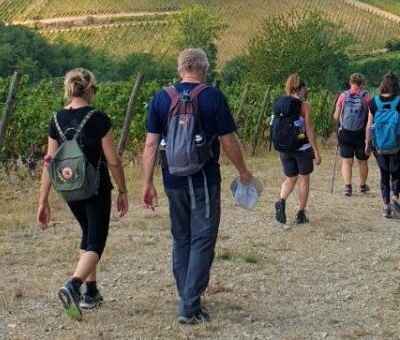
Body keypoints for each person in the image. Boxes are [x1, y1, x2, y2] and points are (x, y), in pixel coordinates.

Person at [141, 48, 255, 325]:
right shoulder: (212, 97)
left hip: (172, 179)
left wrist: (147, 183)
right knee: (203, 239)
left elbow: (151, 143)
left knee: (182, 238)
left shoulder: (161, 97)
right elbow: (228, 140)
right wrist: (242, 171)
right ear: (205, 69)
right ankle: (189, 305)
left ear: (179, 69)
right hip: (203, 178)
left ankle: (188, 297)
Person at [37, 68, 129, 321]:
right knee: (96, 243)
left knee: (87, 235)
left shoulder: (56, 119)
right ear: (89, 90)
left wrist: (43, 200)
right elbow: (113, 160)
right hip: (95, 187)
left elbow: (49, 161)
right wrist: (122, 190)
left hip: (68, 188)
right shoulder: (98, 118)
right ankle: (73, 286)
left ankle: (91, 292)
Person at [272, 74, 321, 225]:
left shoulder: (279, 103)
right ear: (301, 89)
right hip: (302, 148)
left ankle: (281, 200)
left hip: (284, 148)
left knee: (290, 178)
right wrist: (316, 151)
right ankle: (300, 213)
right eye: (305, 89)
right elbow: (309, 130)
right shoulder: (305, 105)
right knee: (303, 179)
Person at [367, 72, 400, 219]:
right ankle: (394, 199)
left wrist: (367, 144)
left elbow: (369, 125)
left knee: (384, 174)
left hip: (379, 145)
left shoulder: (374, 101)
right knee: (396, 172)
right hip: (396, 144)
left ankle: (385, 207)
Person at [333, 73, 371, 196]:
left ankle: (348, 187)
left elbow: (336, 116)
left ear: (350, 82)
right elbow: (371, 116)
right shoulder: (366, 96)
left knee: (347, 161)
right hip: (361, 133)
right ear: (363, 83)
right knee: (362, 161)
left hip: (345, 133)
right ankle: (362, 186)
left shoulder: (343, 95)